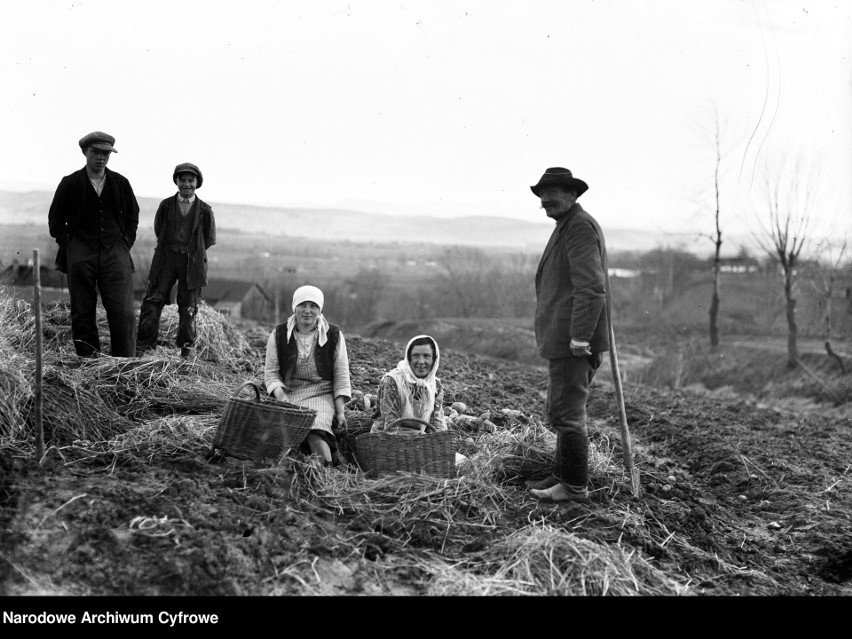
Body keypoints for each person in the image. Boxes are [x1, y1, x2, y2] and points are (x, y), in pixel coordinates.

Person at [526, 167, 609, 504]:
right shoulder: (567, 225)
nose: (547, 199)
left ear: (573, 194)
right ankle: (562, 475)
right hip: (565, 340)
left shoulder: (578, 228)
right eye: (543, 193)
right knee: (562, 408)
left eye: (555, 191)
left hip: (572, 343)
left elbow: (592, 288)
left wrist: (579, 337)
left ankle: (574, 486)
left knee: (569, 412)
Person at [48, 131, 140, 358]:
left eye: (106, 153)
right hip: (80, 256)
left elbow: (133, 217)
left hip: (115, 255)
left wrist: (125, 243)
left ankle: (122, 365)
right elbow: (56, 220)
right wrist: (70, 245)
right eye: (96, 152)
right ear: (85, 153)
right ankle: (88, 362)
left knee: (124, 312)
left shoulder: (121, 183)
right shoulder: (70, 183)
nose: (101, 158)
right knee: (82, 312)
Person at [264, 285, 351, 465]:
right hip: (290, 394)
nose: (308, 311)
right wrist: (282, 398)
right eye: (303, 305)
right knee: (289, 431)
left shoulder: (333, 334)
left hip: (321, 394)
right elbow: (271, 374)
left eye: (314, 306)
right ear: (295, 307)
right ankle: (325, 459)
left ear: (320, 310)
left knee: (315, 426)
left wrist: (340, 411)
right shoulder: (279, 335)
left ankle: (325, 469)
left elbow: (341, 375)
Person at [136, 162, 216, 357]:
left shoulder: (205, 210)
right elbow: (158, 229)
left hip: (191, 264)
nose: (186, 184)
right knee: (153, 301)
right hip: (165, 260)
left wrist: (193, 251)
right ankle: (144, 349)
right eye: (182, 180)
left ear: (197, 183)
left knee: (188, 307)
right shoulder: (166, 205)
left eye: (191, 180)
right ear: (176, 181)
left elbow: (209, 238)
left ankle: (185, 352)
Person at [371, 334, 468, 467]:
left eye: (426, 356)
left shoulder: (436, 385)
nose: (421, 362)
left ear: (434, 359)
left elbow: (437, 424)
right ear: (408, 358)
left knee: (461, 462)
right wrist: (417, 450)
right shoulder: (393, 381)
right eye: (416, 356)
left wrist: (441, 448)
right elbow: (390, 426)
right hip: (388, 444)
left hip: (421, 443)